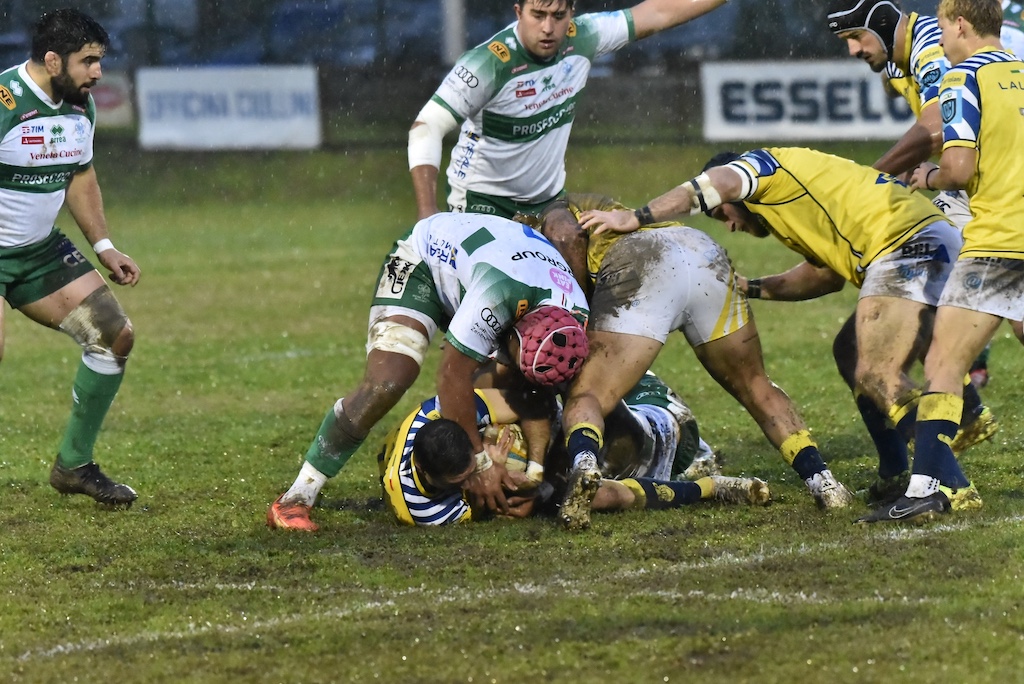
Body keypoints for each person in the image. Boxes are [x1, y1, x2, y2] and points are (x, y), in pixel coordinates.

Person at [576, 148, 991, 515]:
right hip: (925, 242)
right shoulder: (791, 210)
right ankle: (897, 471)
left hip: (908, 245)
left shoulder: (763, 168)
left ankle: (948, 483)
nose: (730, 226)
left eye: (724, 214)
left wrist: (635, 216)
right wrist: (749, 288)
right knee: (849, 351)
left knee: (878, 373)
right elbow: (823, 278)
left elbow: (719, 180)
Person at [543, 194, 852, 532]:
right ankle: (823, 482)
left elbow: (564, 237)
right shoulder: (603, 202)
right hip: (700, 249)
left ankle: (585, 466)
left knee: (588, 396)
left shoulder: (547, 213)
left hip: (643, 263)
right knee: (756, 386)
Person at [267, 210, 590, 532]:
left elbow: (537, 394)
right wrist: (481, 464)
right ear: (512, 331)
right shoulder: (498, 294)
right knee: (388, 381)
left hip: (489, 272)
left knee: (518, 388)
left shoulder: (577, 318)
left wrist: (537, 476)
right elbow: (451, 375)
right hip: (424, 262)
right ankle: (298, 496)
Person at [408, 0, 728, 280]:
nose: (548, 27)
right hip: (481, 203)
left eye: (558, 15)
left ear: (571, 13)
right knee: (495, 299)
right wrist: (428, 214)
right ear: (519, 12)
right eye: (538, 14)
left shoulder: (585, 35)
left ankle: (574, 335)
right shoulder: (487, 63)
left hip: (547, 200)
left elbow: (657, 11)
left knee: (571, 242)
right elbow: (426, 127)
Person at [859, 0, 1024, 523]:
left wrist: (924, 178)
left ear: (958, 24)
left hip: (1000, 242)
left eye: (942, 25)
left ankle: (929, 488)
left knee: (942, 364)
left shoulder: (961, 77)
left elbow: (956, 167)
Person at [827, 0, 1020, 396]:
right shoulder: (903, 61)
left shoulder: (933, 48)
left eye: (855, 36)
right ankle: (956, 391)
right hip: (986, 177)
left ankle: (947, 397)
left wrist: (867, 180)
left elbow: (934, 129)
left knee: (926, 267)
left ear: (882, 23)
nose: (854, 50)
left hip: (987, 180)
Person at [1, 9, 141, 506]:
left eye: (100, 61)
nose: (97, 73)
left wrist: (104, 246)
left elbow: (81, 177)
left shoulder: (80, 105)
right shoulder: (5, 101)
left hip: (38, 253)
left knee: (113, 335)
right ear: (53, 60)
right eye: (88, 62)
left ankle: (75, 465)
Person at [378, 379, 767, 527]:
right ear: (437, 480)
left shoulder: (439, 412)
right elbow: (501, 503)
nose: (479, 475)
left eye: (476, 461)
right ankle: (712, 487)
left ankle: (696, 455)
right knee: (594, 493)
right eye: (467, 479)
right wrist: (530, 490)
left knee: (492, 375)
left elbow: (534, 403)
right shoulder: (423, 511)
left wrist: (528, 466)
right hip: (649, 437)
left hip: (657, 412)